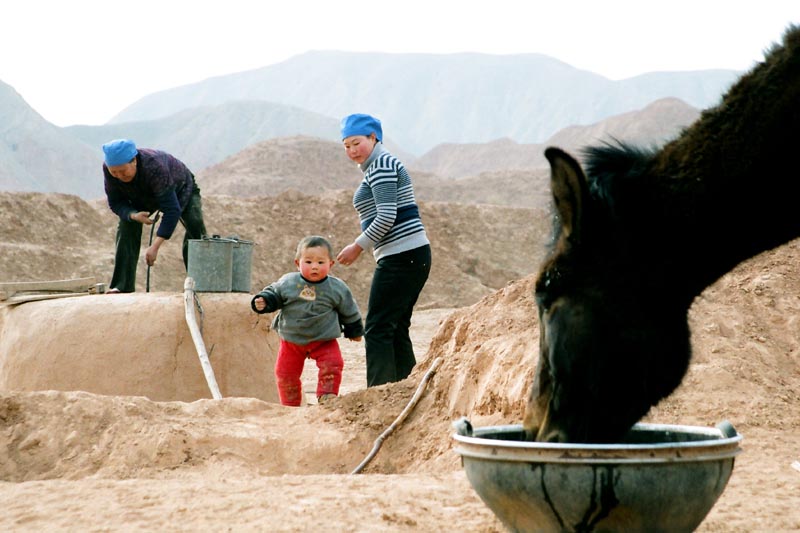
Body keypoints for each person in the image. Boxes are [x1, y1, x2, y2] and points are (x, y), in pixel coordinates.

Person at [337, 113, 432, 387]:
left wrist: (358, 246)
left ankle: (378, 393)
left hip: (403, 256)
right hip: (409, 255)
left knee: (377, 328)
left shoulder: (381, 164)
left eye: (357, 143)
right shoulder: (378, 164)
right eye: (346, 146)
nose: (352, 150)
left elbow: (387, 215)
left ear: (373, 137)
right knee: (395, 327)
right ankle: (405, 387)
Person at [251, 235, 364, 406]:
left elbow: (349, 309)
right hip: (292, 341)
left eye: (320, 262)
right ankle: (291, 405)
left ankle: (327, 396)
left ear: (331, 264)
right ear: (298, 263)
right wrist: (264, 301)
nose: (314, 267)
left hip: (324, 340)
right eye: (309, 262)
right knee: (285, 374)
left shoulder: (337, 288)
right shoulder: (288, 282)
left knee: (333, 364)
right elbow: (274, 293)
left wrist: (354, 330)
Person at [101, 139, 208, 293]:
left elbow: (172, 210)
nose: (118, 176)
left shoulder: (154, 166)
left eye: (123, 171)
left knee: (195, 227)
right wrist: (133, 215)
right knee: (126, 225)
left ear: (134, 161)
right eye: (114, 172)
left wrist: (155, 246)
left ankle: (199, 284)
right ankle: (122, 285)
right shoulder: (109, 170)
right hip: (143, 194)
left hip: (181, 187)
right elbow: (116, 203)